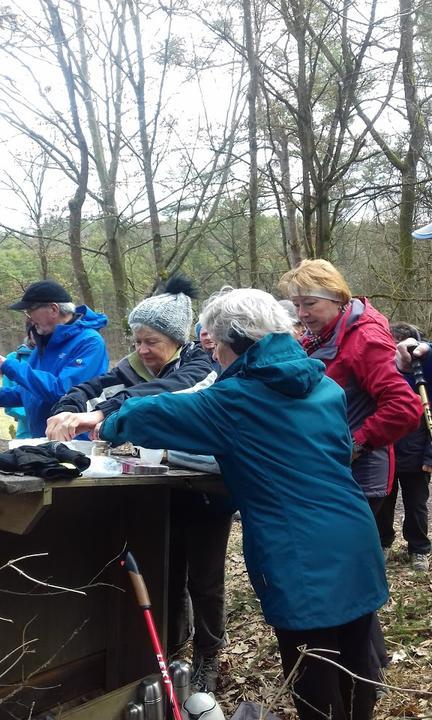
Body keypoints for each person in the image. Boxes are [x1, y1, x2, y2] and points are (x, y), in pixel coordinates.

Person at [64, 286, 388, 720]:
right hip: (354, 533)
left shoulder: (234, 402)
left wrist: (103, 419)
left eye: (214, 345)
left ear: (235, 342)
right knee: (356, 661)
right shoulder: (324, 386)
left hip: (299, 552)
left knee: (314, 674)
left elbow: (149, 416)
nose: (212, 356)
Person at [47, 275, 231, 692]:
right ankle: (169, 647)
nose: (143, 351)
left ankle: (208, 654)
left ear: (174, 339)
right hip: (155, 495)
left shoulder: (200, 367)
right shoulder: (132, 367)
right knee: (164, 571)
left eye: (152, 342)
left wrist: (103, 413)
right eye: (137, 341)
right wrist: (71, 407)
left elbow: (163, 394)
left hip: (207, 494)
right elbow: (94, 386)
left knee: (204, 579)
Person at [278, 259, 423, 515]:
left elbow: (404, 407)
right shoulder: (319, 337)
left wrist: (354, 444)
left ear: (336, 297)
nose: (301, 314)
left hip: (358, 479)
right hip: (326, 471)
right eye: (297, 305)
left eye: (310, 303)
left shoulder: (365, 340)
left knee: (342, 554)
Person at [0, 280, 109, 438]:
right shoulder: (43, 344)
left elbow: (63, 392)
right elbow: (28, 393)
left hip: (76, 442)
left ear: (53, 309)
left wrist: (7, 365)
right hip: (43, 441)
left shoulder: (89, 342)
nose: (29, 318)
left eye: (30, 310)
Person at [377, 322, 432, 571]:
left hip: (417, 456)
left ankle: (419, 549)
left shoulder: (425, 378)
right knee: (383, 504)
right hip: (386, 455)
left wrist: (430, 456)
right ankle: (382, 543)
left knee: (416, 506)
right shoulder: (382, 375)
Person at [2, 324, 35, 439]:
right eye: (34, 327)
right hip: (26, 434)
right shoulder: (13, 359)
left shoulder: (54, 356)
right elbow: (11, 406)